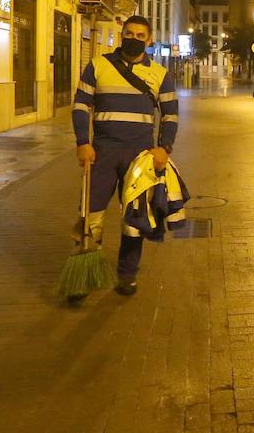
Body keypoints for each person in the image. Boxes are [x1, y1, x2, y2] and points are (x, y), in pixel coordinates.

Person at [72, 15, 178, 296]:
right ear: (121, 35)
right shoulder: (98, 65)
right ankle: (85, 272)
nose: (134, 38)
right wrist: (83, 142)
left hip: (140, 156)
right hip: (102, 152)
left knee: (135, 218)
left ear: (149, 40)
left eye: (140, 35)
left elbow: (170, 114)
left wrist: (163, 148)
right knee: (90, 213)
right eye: (129, 33)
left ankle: (127, 274)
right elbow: (81, 105)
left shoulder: (159, 74)